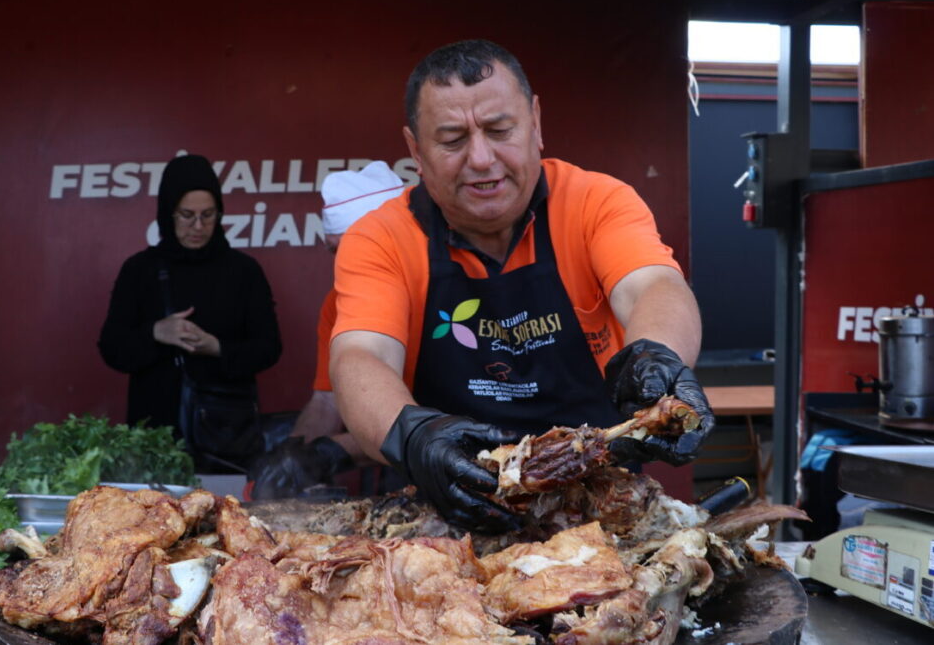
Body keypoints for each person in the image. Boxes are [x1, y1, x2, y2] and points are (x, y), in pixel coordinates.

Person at [329, 40, 715, 533]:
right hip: (452, 511)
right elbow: (361, 356)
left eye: (499, 130)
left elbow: (652, 285)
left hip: (599, 511)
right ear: (416, 150)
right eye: (452, 139)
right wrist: (414, 435)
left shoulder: (596, 202)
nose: (481, 158)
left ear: (535, 122)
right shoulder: (380, 238)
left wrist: (656, 356)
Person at [99, 154, 281, 473]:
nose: (198, 226)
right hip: (154, 442)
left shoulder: (243, 271)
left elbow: (269, 348)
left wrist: (218, 348)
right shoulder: (140, 270)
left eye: (208, 215)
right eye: (186, 215)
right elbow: (112, 348)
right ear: (168, 213)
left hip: (225, 441)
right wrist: (156, 333)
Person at [250, 161, 405, 499]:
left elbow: (435, 416)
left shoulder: (442, 291)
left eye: (354, 247)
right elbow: (326, 401)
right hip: (390, 476)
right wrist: (291, 454)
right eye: (334, 250)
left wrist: (329, 452)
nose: (343, 263)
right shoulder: (337, 303)